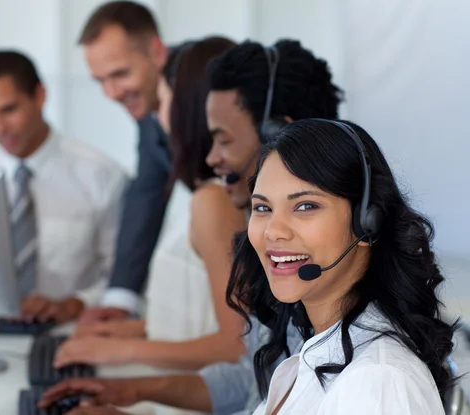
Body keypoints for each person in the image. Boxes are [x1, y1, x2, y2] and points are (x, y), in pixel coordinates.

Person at [38, 39, 344, 415]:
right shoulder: (282, 257)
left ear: (278, 135)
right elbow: (250, 381)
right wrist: (127, 390)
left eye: (224, 139)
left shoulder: (332, 292)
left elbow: (237, 352)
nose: (213, 157)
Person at [53, 38, 247, 379]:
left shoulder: (214, 202)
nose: (157, 114)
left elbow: (237, 345)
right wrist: (133, 329)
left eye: (164, 96)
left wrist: (119, 351)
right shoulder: (208, 194)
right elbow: (199, 308)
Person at [232, 119, 455, 414]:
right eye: (262, 208)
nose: (273, 231)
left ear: (366, 224)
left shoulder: (376, 383)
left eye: (305, 206)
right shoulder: (320, 355)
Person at [0, 50, 128, 323]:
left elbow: (123, 278)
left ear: (39, 96)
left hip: (68, 332)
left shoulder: (102, 175)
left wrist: (75, 304)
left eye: (9, 110)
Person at [75, 1, 173, 325]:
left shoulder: (203, 87)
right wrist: (120, 298)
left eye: (119, 74)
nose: (111, 93)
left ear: (157, 52)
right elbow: (146, 192)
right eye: (100, 80)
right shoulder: (150, 106)